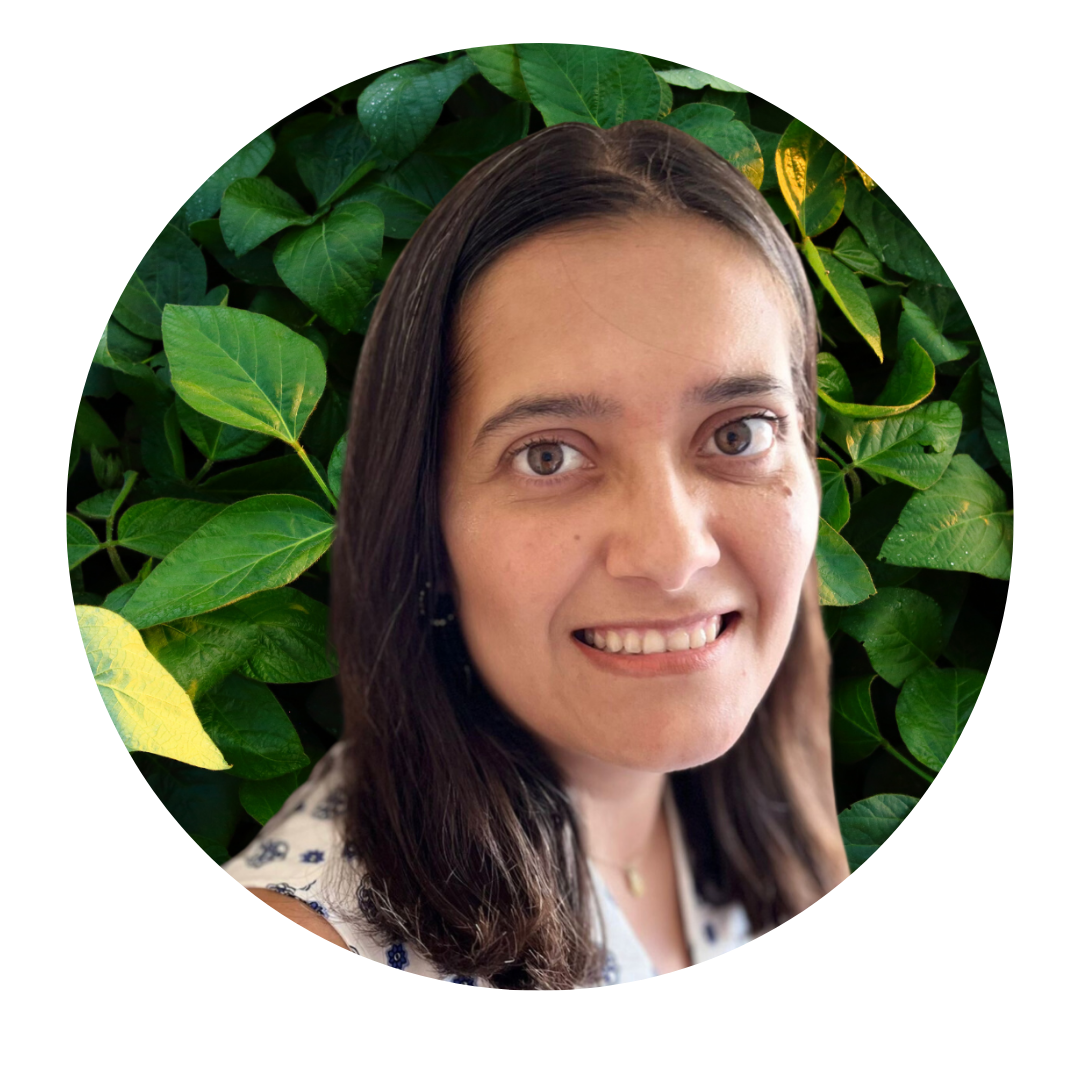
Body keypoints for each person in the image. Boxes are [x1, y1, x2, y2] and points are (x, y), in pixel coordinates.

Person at [222, 119, 850, 988]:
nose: (672, 554)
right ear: (422, 520)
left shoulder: (768, 823)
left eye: (738, 433)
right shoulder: (328, 928)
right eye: (548, 455)